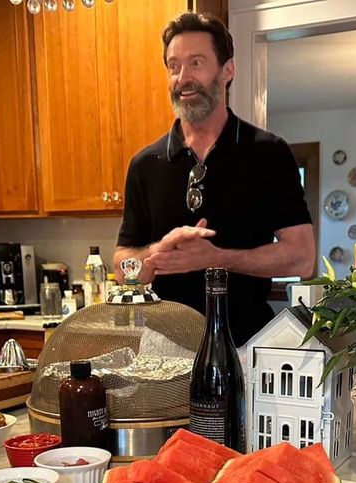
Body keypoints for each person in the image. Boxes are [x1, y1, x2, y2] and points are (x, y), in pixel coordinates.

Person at [114, 12, 315, 346]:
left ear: (227, 71)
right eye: (173, 66)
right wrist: (157, 253)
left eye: (196, 63)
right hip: (163, 348)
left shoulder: (269, 153)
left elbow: (303, 258)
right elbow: (123, 267)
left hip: (246, 345)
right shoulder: (144, 164)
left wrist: (216, 258)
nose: (182, 78)